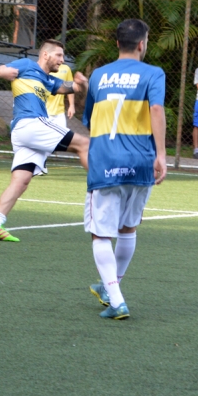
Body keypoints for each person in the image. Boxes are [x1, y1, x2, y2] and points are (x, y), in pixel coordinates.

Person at [82, 18, 167, 320]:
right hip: (141, 160)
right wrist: (161, 154)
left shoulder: (97, 75)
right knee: (128, 227)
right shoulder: (154, 73)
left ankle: (116, 299)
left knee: (100, 233)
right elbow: (156, 108)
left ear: (117, 43)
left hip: (106, 160)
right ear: (142, 44)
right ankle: (111, 288)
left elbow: (90, 119)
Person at [0, 39, 89, 242]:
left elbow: (74, 88)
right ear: (45, 55)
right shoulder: (26, 65)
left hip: (22, 132)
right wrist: (1, 72)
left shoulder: (49, 80)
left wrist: (83, 83)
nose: (62, 60)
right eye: (59, 55)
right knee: (85, 144)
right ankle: (103, 197)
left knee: (21, 180)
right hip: (31, 124)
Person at [45, 59, 76, 128]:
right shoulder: (43, 68)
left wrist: (71, 105)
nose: (62, 59)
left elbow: (70, 87)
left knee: (62, 134)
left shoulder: (66, 69)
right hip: (43, 112)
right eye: (59, 55)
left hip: (59, 113)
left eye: (62, 55)